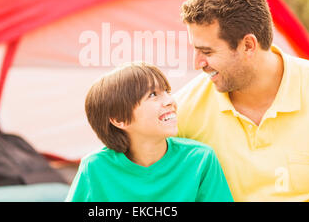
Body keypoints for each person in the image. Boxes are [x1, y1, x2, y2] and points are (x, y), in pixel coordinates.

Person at [175, 0, 309, 201]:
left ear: (248, 46)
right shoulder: (182, 111)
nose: (197, 63)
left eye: (208, 52)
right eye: (196, 50)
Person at [66, 62, 233, 202]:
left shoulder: (200, 159)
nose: (169, 101)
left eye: (167, 91)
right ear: (119, 119)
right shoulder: (95, 168)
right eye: (153, 95)